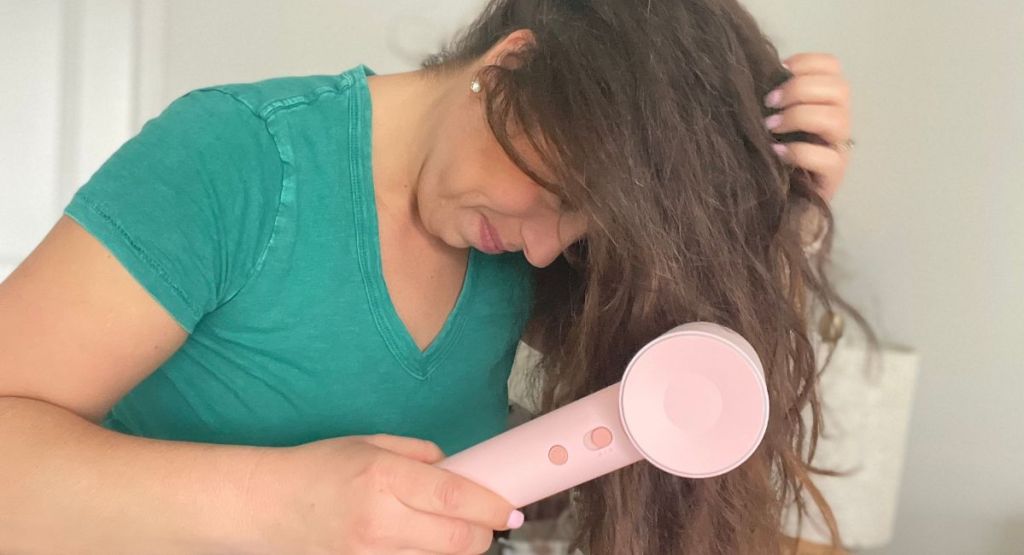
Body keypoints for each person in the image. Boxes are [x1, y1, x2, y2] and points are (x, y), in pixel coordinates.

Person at [0, 0, 874, 553]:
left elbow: (692, 401)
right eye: (559, 193)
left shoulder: (529, 241)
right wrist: (284, 504)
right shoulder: (237, 161)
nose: (542, 250)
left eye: (582, 227)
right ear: (508, 69)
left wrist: (777, 212)